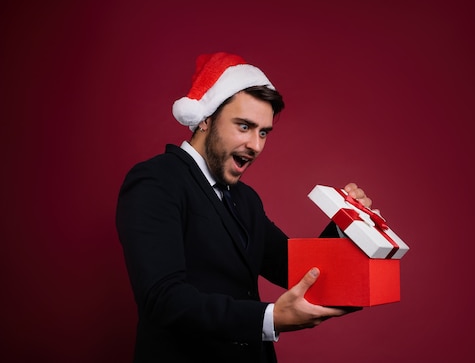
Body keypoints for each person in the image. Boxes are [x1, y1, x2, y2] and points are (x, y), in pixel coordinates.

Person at [116, 52, 373, 363]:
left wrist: (345, 223)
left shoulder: (245, 199)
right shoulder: (156, 181)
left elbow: (293, 267)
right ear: (205, 119)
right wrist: (270, 318)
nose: (256, 145)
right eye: (244, 126)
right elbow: (163, 299)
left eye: (263, 132)